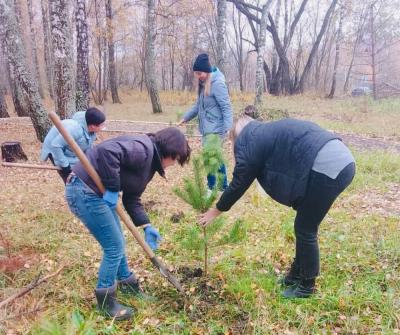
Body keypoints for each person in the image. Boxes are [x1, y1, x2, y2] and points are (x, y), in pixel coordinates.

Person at [199, 116, 355, 299]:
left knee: (305, 228)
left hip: (329, 166)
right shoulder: (262, 133)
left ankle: (307, 286)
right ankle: (296, 274)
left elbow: (239, 182)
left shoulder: (250, 140)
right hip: (338, 158)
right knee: (303, 223)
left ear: (235, 136)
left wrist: (216, 210)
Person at [65, 128, 191, 320]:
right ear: (170, 153)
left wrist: (146, 225)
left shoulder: (149, 164)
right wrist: (114, 188)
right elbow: (108, 152)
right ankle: (106, 303)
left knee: (118, 241)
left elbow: (132, 198)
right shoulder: (143, 149)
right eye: (175, 160)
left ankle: (128, 285)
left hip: (95, 193)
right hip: (84, 190)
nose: (173, 164)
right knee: (114, 246)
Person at [178, 53, 233, 191]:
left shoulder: (218, 84)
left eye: (200, 73)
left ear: (207, 70)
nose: (198, 76)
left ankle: (212, 187)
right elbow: (198, 105)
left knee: (209, 158)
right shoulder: (204, 84)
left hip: (215, 128)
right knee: (216, 158)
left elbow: (226, 107)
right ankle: (223, 187)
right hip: (207, 128)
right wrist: (185, 117)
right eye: (196, 73)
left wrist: (228, 129)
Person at [40, 107, 106, 183]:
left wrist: (90, 159)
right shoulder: (75, 130)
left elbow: (87, 146)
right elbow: (56, 145)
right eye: (101, 125)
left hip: (70, 150)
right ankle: (72, 190)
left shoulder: (91, 131)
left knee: (81, 173)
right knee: (71, 178)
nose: (103, 127)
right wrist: (65, 166)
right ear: (93, 126)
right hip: (55, 148)